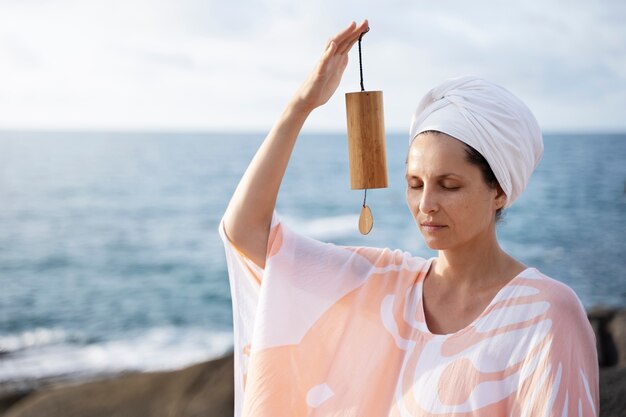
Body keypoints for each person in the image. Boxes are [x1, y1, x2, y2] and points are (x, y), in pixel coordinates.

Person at [220, 20, 599, 417]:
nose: (426, 203)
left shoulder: (546, 313)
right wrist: (301, 106)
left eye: (449, 185)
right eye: (415, 184)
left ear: (499, 191)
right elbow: (245, 231)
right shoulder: (382, 286)